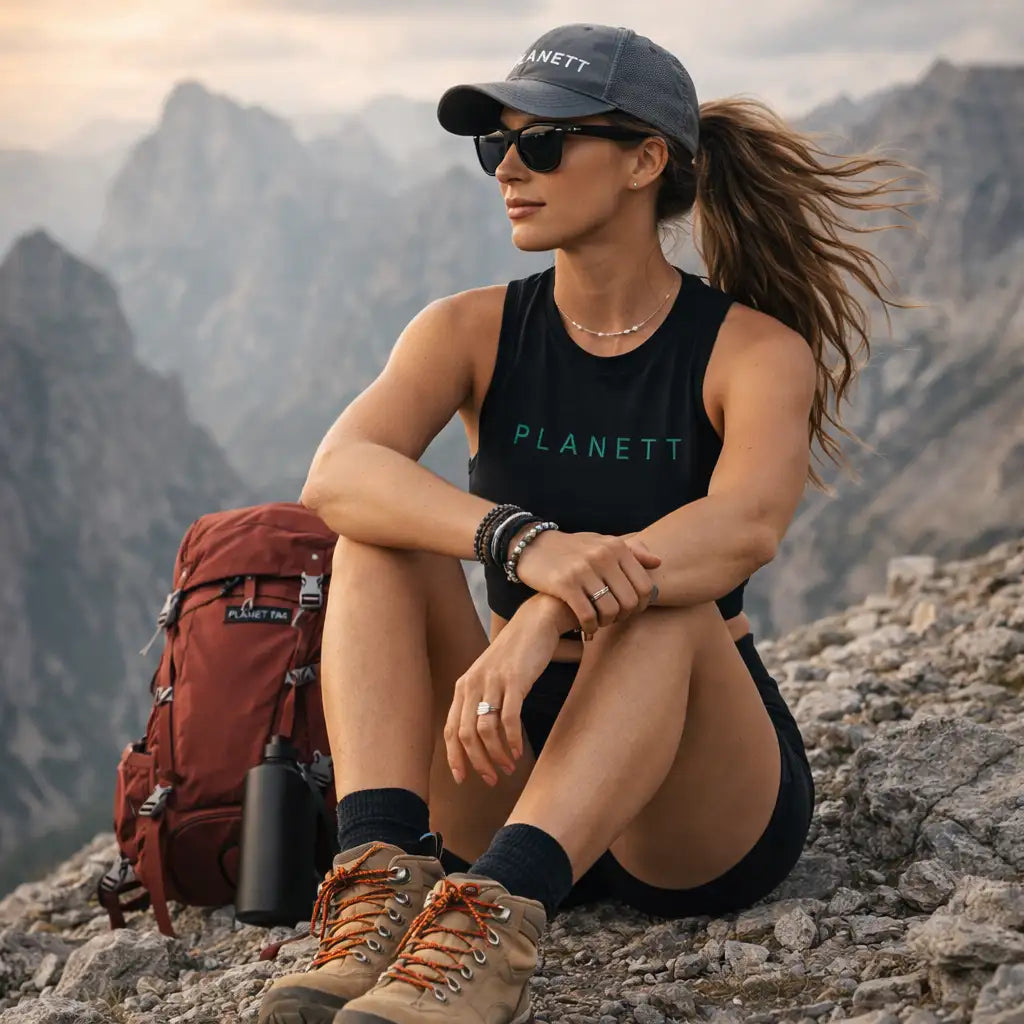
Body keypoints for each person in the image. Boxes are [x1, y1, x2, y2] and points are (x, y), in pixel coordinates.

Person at [259, 22, 910, 1024]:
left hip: (691, 797)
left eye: (543, 142)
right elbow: (338, 473)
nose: (508, 169)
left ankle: (492, 927)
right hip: (503, 763)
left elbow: (741, 530)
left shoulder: (753, 351)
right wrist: (524, 545)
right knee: (374, 538)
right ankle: (380, 886)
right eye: (496, 146)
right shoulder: (467, 329)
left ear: (647, 158)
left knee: (666, 602)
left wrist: (544, 610)